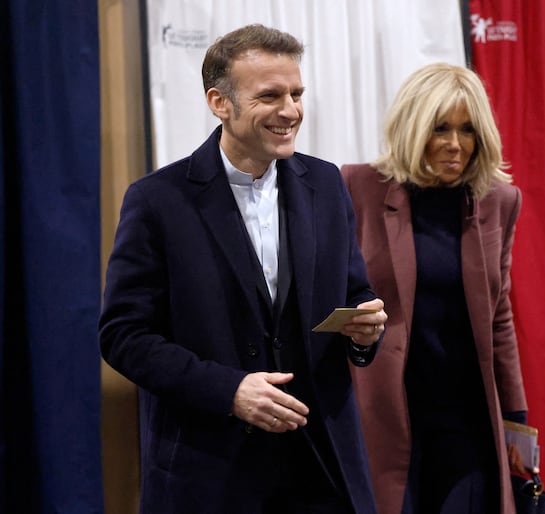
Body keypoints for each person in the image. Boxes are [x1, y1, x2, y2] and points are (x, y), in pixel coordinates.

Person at [99, 24, 387, 514]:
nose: (291, 111)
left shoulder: (326, 184)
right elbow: (123, 336)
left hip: (321, 467)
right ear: (219, 103)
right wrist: (228, 390)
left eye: (297, 94)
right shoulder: (156, 200)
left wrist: (364, 333)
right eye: (270, 96)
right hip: (208, 473)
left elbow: (354, 294)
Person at [342, 62, 528, 514]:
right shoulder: (358, 187)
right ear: (414, 126)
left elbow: (499, 317)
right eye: (440, 128)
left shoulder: (499, 201)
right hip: (384, 412)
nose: (455, 144)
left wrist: (515, 419)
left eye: (467, 130)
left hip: (466, 421)